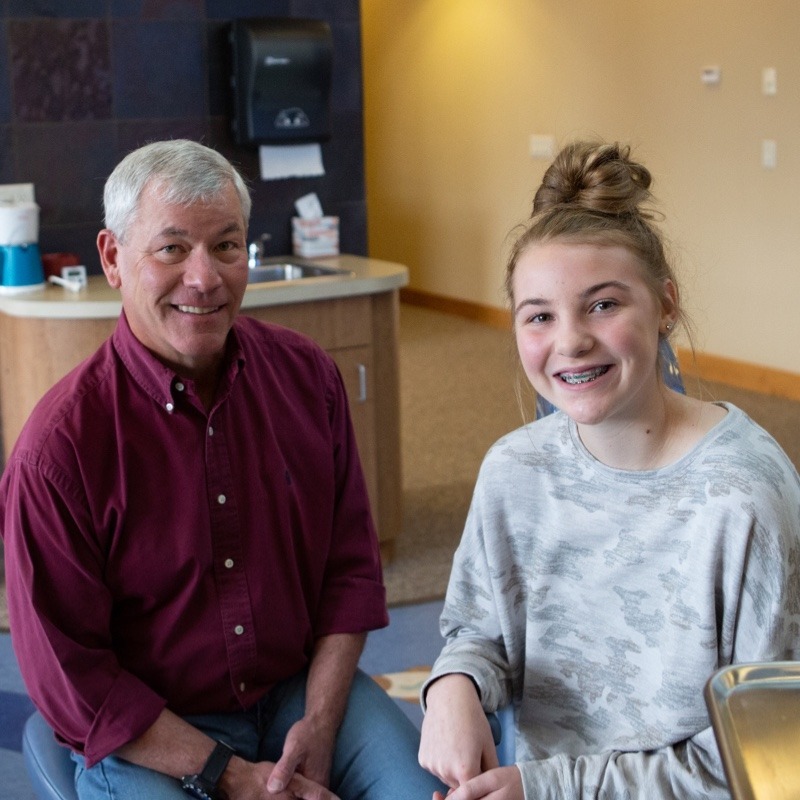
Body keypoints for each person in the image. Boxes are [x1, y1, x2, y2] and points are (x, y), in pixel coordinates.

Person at [0, 139, 444, 800]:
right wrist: (232, 777)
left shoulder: (308, 379)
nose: (204, 278)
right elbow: (73, 678)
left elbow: (349, 571)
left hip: (299, 693)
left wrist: (321, 726)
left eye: (227, 246)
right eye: (172, 248)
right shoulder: (57, 452)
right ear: (113, 258)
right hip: (154, 730)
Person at [418, 140, 800, 799]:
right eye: (540, 316)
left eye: (603, 305)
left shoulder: (745, 500)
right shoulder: (513, 471)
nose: (570, 341)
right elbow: (478, 631)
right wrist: (455, 684)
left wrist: (546, 789)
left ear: (666, 305)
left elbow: (768, 756)